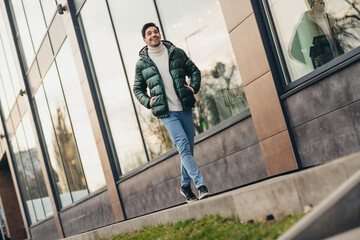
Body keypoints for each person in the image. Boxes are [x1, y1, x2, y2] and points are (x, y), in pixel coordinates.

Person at [133, 22, 209, 203]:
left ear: (160, 34)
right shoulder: (142, 64)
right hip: (166, 113)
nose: (153, 35)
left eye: (155, 32)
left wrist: (193, 88)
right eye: (149, 33)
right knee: (183, 146)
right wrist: (148, 101)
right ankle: (200, 186)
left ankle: (184, 186)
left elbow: (194, 71)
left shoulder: (177, 53)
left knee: (188, 149)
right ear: (144, 39)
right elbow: (137, 89)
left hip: (184, 107)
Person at [289, 0, 343, 69]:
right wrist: (312, 61)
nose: (322, 1)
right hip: (324, 68)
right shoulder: (304, 25)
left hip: (340, 60)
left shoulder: (331, 19)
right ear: (312, 3)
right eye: (319, 0)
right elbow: (294, 50)